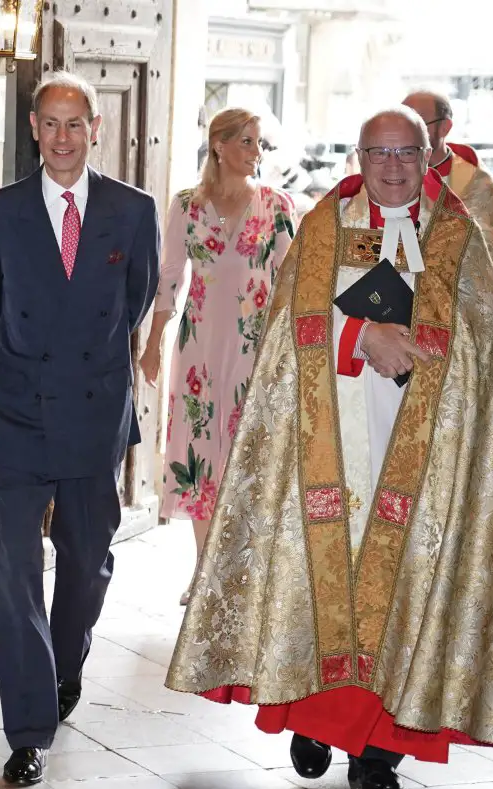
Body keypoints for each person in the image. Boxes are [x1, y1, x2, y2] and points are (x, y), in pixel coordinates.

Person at [165, 107, 493, 789]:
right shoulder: (325, 226)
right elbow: (287, 328)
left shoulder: (458, 236)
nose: (393, 168)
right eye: (379, 153)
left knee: (400, 596)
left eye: (406, 154)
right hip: (329, 438)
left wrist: (429, 353)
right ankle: (311, 716)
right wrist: (359, 338)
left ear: (428, 156)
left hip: (423, 455)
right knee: (324, 586)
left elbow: (491, 350)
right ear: (358, 157)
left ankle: (376, 751)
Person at [0, 71, 159, 786]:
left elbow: (134, 302)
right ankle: (28, 728)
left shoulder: (133, 212)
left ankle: (67, 659)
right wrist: (27, 355)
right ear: (35, 129)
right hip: (17, 407)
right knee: (15, 572)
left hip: (95, 408)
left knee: (85, 559)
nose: (64, 137)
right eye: (51, 123)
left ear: (96, 128)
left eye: (77, 123)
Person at [138, 107, 296, 605]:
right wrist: (152, 345)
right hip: (201, 349)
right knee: (202, 455)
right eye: (246, 142)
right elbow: (169, 278)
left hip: (256, 347)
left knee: (248, 453)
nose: (256, 152)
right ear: (219, 146)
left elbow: (292, 280)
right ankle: (204, 573)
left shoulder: (277, 205)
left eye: (259, 144)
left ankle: (247, 573)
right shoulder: (186, 205)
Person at [402, 90, 493, 632]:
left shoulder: (476, 187)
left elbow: (487, 269)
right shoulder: (388, 174)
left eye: (422, 122)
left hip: (460, 356)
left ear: (445, 126)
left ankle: (465, 597)